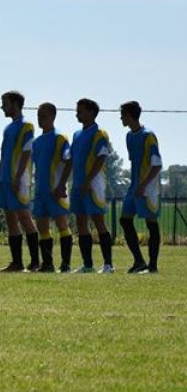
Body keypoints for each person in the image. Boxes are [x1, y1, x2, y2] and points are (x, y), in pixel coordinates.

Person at [0, 91, 40, 272]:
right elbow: (4, 155)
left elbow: (27, 152)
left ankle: (35, 262)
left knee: (25, 218)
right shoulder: (7, 128)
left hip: (19, 181)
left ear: (14, 104)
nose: (2, 107)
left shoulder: (26, 126)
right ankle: (17, 262)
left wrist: (18, 178)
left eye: (4, 103)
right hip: (5, 180)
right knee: (10, 221)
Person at [70, 98, 115, 273]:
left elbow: (101, 157)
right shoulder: (76, 134)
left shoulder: (99, 134)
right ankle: (87, 265)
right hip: (78, 184)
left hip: (93, 184)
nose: (77, 113)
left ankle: (108, 264)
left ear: (91, 112)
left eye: (80, 111)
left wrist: (88, 180)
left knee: (98, 221)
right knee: (81, 222)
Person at [120, 101, 162, 274]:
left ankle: (152, 266)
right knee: (124, 220)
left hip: (148, 187)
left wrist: (144, 185)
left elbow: (157, 164)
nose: (121, 118)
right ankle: (139, 261)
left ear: (130, 115)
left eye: (122, 114)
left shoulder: (148, 136)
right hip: (134, 186)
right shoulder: (129, 136)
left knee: (151, 223)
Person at [31, 103, 73, 273]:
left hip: (56, 190)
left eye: (44, 116)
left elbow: (69, 160)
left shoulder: (60, 138)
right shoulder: (37, 142)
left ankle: (66, 264)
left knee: (62, 225)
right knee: (42, 226)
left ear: (53, 117)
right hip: (41, 191)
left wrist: (62, 184)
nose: (40, 119)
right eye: (39, 115)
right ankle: (47, 264)